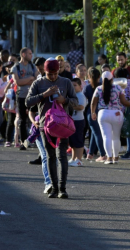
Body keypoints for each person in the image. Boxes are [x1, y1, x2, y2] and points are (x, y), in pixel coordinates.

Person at [26, 58, 78, 199]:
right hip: (45, 126)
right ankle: (54, 188)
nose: (53, 77)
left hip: (62, 125)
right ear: (45, 71)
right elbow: (28, 101)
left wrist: (65, 100)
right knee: (50, 156)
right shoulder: (38, 83)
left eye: (55, 74)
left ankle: (62, 188)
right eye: (50, 74)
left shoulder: (66, 82)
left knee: (61, 155)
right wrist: (44, 94)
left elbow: (75, 100)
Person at [91, 71, 130, 164]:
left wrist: (93, 112)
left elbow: (93, 102)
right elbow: (124, 102)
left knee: (106, 137)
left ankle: (109, 158)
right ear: (112, 79)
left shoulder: (98, 89)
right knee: (116, 137)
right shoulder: (118, 88)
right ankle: (115, 158)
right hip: (117, 114)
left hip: (103, 113)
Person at [11, 47, 38, 150]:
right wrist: (29, 79)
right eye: (29, 54)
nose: (31, 55)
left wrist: (26, 80)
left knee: (34, 118)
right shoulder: (16, 67)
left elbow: (36, 80)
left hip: (32, 96)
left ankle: (34, 140)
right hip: (21, 96)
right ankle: (23, 141)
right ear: (23, 54)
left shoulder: (33, 66)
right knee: (23, 119)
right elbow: (18, 82)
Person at [84, 67, 106, 162]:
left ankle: (103, 154)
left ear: (88, 76)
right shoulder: (102, 86)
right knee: (94, 132)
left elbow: (84, 101)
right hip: (101, 110)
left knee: (97, 133)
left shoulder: (87, 87)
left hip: (91, 111)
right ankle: (90, 153)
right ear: (99, 76)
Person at [68, 78, 87, 167]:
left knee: (78, 141)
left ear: (80, 86)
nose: (73, 87)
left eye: (75, 85)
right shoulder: (71, 95)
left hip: (78, 121)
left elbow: (81, 107)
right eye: (71, 85)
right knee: (73, 141)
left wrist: (69, 106)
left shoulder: (80, 95)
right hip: (71, 120)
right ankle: (73, 158)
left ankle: (79, 160)